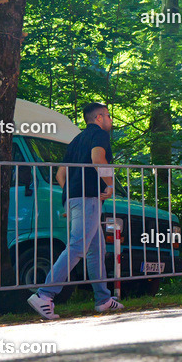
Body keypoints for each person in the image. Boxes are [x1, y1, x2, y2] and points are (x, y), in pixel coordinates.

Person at [27, 102, 124, 319]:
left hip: (75, 198)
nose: (110, 120)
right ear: (98, 118)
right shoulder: (99, 135)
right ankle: (44, 294)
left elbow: (60, 175)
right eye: (108, 116)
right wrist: (109, 185)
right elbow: (98, 159)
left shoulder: (76, 140)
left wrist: (71, 195)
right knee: (77, 247)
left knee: (96, 249)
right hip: (89, 198)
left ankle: (103, 299)